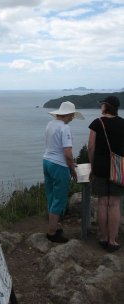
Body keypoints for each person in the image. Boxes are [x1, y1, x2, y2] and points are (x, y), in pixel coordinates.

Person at [43, 101, 84, 243]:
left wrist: (70, 163)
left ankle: (53, 225)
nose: (73, 118)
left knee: (51, 195)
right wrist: (72, 168)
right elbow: (67, 153)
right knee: (59, 197)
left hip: (47, 162)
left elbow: (53, 146)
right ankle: (52, 233)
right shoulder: (65, 128)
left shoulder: (50, 124)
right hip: (59, 165)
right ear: (68, 114)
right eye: (72, 115)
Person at [88, 95, 124, 253]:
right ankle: (112, 240)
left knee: (102, 203)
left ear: (106, 106)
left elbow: (90, 147)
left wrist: (91, 165)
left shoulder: (97, 123)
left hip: (100, 167)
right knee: (115, 204)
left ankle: (102, 237)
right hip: (118, 167)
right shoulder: (123, 123)